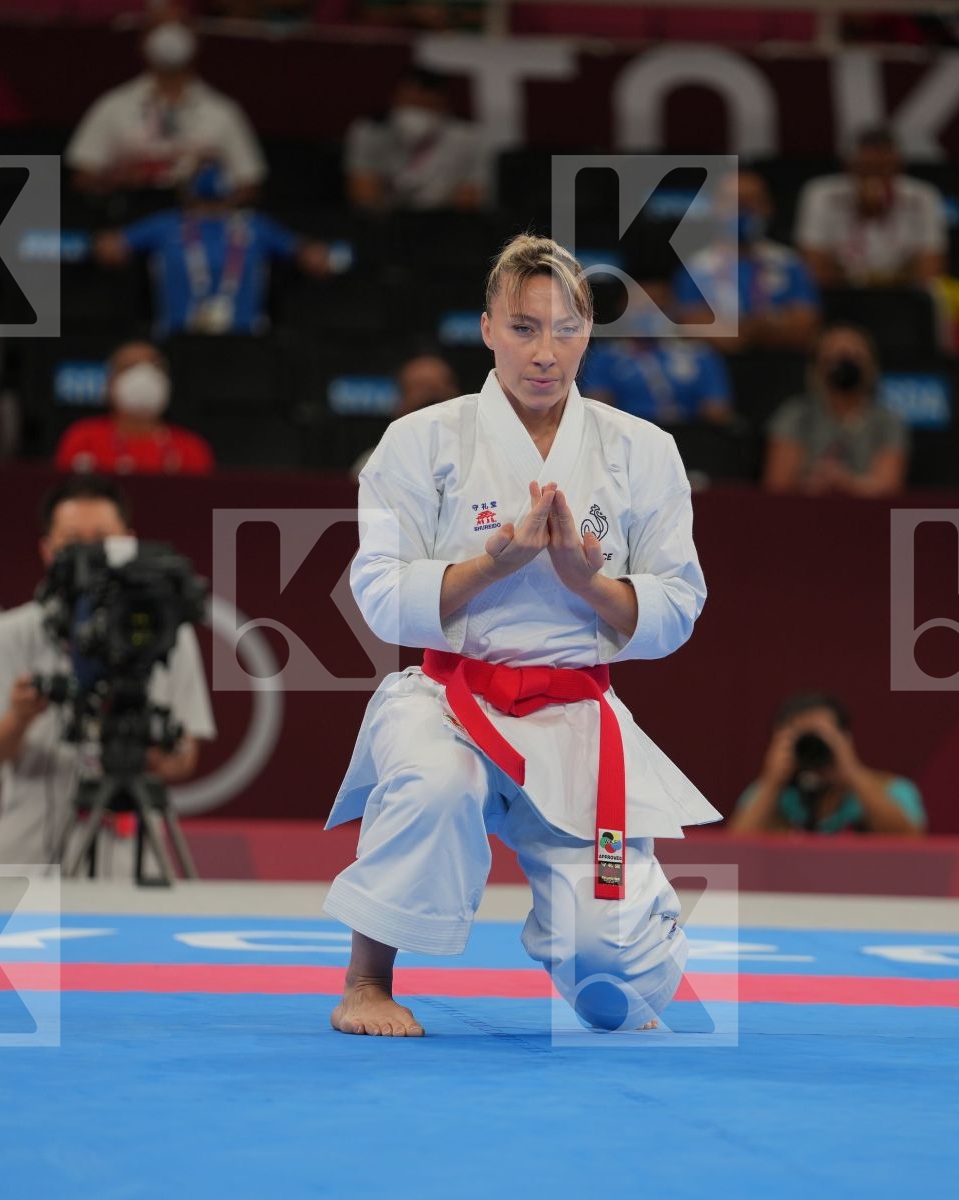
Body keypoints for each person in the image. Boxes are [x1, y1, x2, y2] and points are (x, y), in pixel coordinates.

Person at [321, 234, 718, 1037]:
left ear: (589, 334)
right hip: (450, 695)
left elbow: (680, 604)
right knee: (433, 784)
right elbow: (379, 594)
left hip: (573, 708)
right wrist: (491, 564)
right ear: (488, 329)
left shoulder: (644, 451)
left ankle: (632, 925)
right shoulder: (419, 442)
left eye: (566, 327)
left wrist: (587, 583)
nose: (547, 351)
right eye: (525, 327)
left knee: (619, 985)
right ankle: (367, 980)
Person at [0, 476, 216, 870]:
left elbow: (183, 761)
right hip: (28, 864)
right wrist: (19, 716)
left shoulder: (166, 635)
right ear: (47, 550)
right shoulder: (9, 633)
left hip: (131, 866)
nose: (89, 555)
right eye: (72, 541)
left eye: (101, 539)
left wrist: (134, 740)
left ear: (128, 542)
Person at [94, 161, 334, 337]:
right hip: (177, 338)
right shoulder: (167, 224)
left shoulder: (254, 226)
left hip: (245, 340)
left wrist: (315, 255)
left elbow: (310, 255)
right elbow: (108, 247)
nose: (210, 210)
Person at [65, 6, 266, 199]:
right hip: (130, 218)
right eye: (159, 26)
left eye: (181, 26)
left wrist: (210, 200)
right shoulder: (112, 105)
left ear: (196, 38)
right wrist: (120, 182)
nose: (170, 35)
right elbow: (82, 176)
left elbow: (249, 183)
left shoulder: (223, 111)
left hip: (196, 227)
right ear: (142, 39)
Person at [729, 693, 925, 835]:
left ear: (846, 740)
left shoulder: (891, 789)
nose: (813, 748)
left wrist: (852, 772)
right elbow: (733, 849)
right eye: (804, 740)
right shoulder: (767, 794)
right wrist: (771, 782)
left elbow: (910, 840)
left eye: (820, 738)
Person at [673, 169, 821, 354]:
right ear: (715, 207)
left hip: (783, 368)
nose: (741, 210)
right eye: (733, 202)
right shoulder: (696, 268)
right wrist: (760, 330)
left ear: (768, 207)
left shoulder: (790, 263)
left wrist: (737, 329)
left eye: (750, 202)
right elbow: (693, 324)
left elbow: (805, 325)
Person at [762, 324, 908, 497]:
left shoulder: (888, 421)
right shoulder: (795, 415)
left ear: (871, 366)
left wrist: (845, 482)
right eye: (835, 357)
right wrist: (812, 483)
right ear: (817, 367)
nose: (845, 365)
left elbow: (889, 487)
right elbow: (776, 486)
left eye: (854, 357)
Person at [794, 129, 947, 288]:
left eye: (884, 169)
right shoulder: (821, 193)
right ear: (849, 166)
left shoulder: (923, 196)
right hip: (839, 295)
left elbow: (931, 270)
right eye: (866, 169)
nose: (875, 178)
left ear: (899, 167)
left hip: (903, 298)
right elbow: (812, 265)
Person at [581, 280, 734, 425]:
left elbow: (717, 412)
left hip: (689, 439)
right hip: (628, 438)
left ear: (672, 309)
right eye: (640, 306)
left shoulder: (700, 355)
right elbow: (598, 411)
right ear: (623, 309)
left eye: (658, 306)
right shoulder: (605, 356)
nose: (648, 312)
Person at [54, 342, 215, 475]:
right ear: (109, 383)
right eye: (130, 367)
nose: (144, 376)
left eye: (155, 367)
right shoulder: (82, 439)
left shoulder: (192, 448)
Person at [345, 68, 488, 214]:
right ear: (394, 101)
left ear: (443, 105)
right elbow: (363, 192)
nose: (414, 112)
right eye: (408, 103)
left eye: (424, 104)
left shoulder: (466, 137)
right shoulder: (371, 131)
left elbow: (470, 197)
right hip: (385, 220)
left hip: (445, 222)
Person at [347, 353, 463, 478]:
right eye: (420, 387)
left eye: (441, 386)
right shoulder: (372, 463)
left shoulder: (483, 454)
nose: (431, 396)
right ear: (399, 402)